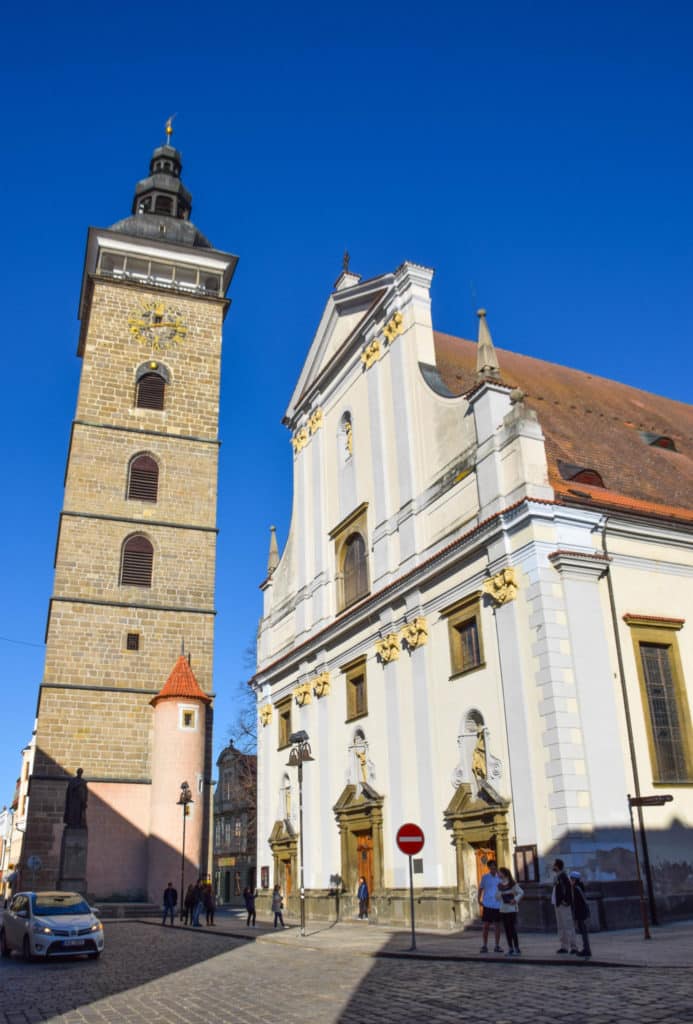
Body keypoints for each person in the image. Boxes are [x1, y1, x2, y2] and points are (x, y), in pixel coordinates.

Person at [552, 859, 578, 954]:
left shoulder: (563, 876)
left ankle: (573, 946)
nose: (552, 867)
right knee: (561, 926)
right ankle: (564, 946)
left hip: (563, 904)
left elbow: (567, 889)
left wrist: (566, 901)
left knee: (568, 925)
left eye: (554, 865)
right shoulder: (557, 876)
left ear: (557, 866)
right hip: (557, 903)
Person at [477, 859, 503, 953]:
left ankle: (497, 945)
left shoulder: (500, 878)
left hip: (497, 904)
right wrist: (478, 899)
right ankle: (484, 945)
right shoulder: (485, 877)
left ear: (496, 867)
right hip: (487, 904)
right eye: (491, 867)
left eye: (494, 866)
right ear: (489, 868)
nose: (493, 868)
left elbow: (503, 889)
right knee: (486, 926)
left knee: (497, 926)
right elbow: (480, 889)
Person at [497, 867, 523, 956]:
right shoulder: (500, 885)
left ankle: (517, 948)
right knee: (507, 929)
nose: (498, 874)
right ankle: (510, 948)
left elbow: (521, 892)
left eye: (499, 872)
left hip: (512, 909)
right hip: (503, 909)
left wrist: (515, 899)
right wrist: (499, 893)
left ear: (504, 873)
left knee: (512, 929)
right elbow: (497, 897)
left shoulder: (512, 883)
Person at [570, 871, 592, 958]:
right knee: (583, 932)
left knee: (584, 932)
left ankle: (587, 950)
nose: (570, 880)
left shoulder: (576, 888)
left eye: (571, 879)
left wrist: (575, 915)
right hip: (581, 912)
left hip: (581, 913)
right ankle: (586, 949)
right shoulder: (579, 887)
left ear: (574, 879)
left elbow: (578, 903)